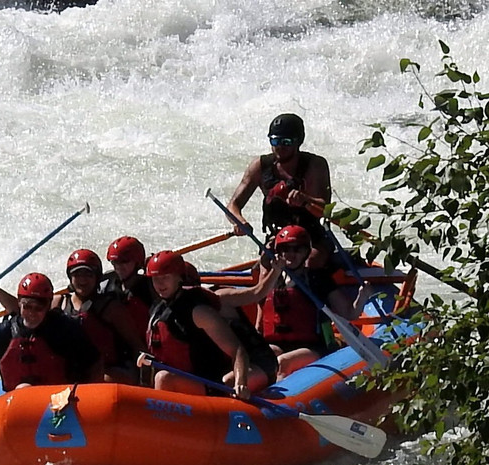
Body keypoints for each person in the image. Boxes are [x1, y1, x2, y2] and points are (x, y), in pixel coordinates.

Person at [144, 250, 275, 399]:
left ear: (179, 278)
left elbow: (237, 350)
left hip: (211, 384)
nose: (160, 284)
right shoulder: (157, 309)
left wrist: (240, 383)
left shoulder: (199, 312)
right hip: (187, 379)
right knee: (158, 376)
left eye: (165, 277)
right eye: (155, 278)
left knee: (163, 378)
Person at [0, 272, 102, 400]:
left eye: (38, 308)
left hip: (60, 402)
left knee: (24, 389)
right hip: (18, 405)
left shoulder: (64, 330)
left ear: (48, 305)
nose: (32, 313)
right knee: (23, 389)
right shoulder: (5, 332)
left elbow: (95, 363)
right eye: (27, 307)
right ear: (19, 303)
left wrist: (89, 396)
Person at [250, 224, 372, 378]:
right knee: (263, 357)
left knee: (283, 362)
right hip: (279, 344)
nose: (290, 254)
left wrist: (362, 296)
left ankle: (279, 400)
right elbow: (259, 298)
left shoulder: (318, 279)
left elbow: (350, 313)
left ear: (306, 252)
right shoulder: (274, 279)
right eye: (285, 249)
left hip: (313, 346)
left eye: (297, 249)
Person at [227, 112, 333, 268]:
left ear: (298, 142)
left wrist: (306, 200)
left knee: (310, 262)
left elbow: (325, 210)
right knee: (266, 263)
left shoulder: (315, 165)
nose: (280, 147)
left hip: (313, 237)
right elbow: (233, 205)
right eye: (275, 141)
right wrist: (240, 221)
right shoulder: (259, 166)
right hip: (279, 236)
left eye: (287, 142)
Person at [53, 248, 147, 385]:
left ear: (97, 277)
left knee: (101, 379)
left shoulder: (111, 308)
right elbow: (25, 313)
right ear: (70, 277)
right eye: (77, 274)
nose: (82, 280)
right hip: (75, 372)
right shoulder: (58, 303)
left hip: (112, 370)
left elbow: (136, 344)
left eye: (88, 274)